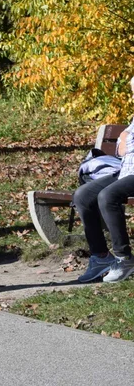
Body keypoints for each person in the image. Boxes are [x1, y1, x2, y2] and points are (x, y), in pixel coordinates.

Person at [73, 75, 134, 283]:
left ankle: (123, 257)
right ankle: (100, 257)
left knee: (108, 196)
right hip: (126, 171)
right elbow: (122, 143)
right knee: (83, 195)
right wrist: (123, 141)